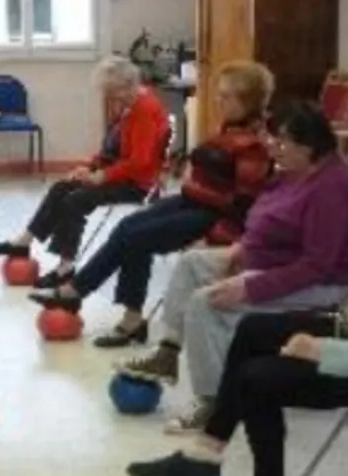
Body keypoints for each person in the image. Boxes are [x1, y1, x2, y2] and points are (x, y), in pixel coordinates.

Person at [126, 118, 348, 476]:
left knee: (256, 379)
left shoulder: (335, 190)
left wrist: (323, 350)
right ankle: (204, 456)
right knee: (253, 329)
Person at [116, 101, 348, 433]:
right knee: (192, 263)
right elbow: (266, 219)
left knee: (207, 302)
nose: (272, 147)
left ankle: (215, 402)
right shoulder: (292, 171)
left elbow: (316, 265)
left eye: (282, 141)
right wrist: (242, 248)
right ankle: (167, 352)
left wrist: (250, 287)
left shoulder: (331, 188)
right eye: (273, 137)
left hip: (319, 284)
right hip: (269, 261)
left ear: (309, 146)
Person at [28, 60, 274, 348]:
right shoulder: (231, 128)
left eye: (226, 96)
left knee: (137, 237)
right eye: (219, 94)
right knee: (127, 227)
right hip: (191, 200)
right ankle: (102, 304)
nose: (218, 101)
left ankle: (85, 297)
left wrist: (217, 237)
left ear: (248, 101)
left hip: (211, 214)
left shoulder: (254, 144)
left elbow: (246, 204)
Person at [0, 55, 171, 288]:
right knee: (61, 187)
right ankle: (23, 242)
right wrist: (90, 168)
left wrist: (102, 176)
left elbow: (140, 161)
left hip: (138, 184)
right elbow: (114, 149)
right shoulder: (130, 105)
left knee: (76, 200)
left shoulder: (144, 109)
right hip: (121, 174)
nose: (111, 98)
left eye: (112, 92)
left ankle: (65, 269)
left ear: (128, 85)